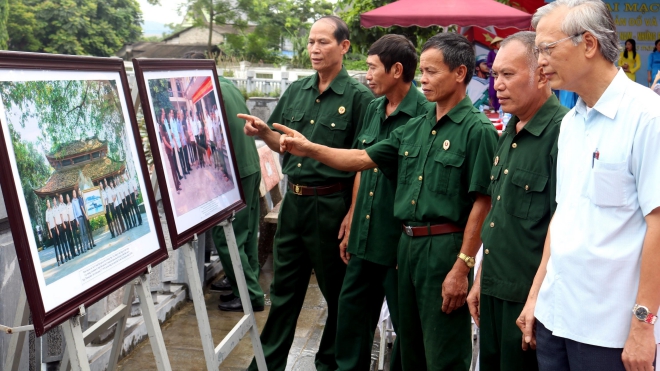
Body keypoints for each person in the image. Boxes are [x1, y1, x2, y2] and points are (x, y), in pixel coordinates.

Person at [278, 32, 498, 371]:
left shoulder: (477, 130)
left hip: (443, 249)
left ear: (460, 74)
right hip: (407, 244)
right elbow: (360, 159)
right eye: (422, 71)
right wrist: (308, 148)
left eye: (432, 72)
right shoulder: (418, 125)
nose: (423, 79)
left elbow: (482, 203)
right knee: (408, 349)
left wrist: (462, 266)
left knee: (442, 353)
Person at [517, 1, 660, 370]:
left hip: (610, 332)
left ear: (589, 44)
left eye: (548, 48)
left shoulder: (647, 118)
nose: (540, 61)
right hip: (555, 318)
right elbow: (564, 215)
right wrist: (536, 296)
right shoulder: (571, 122)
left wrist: (644, 326)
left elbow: (658, 225)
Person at [239, 15, 373, 371]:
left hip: (332, 203)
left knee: (337, 295)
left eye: (323, 42)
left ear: (344, 47)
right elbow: (282, 143)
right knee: (283, 293)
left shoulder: (359, 98)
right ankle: (267, 365)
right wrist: (263, 132)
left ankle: (329, 363)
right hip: (294, 204)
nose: (314, 49)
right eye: (311, 42)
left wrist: (352, 214)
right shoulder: (297, 90)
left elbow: (364, 161)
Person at [325, 34, 433, 371]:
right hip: (364, 236)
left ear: (397, 69)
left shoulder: (425, 115)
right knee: (352, 321)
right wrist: (352, 215)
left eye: (372, 68)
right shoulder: (373, 108)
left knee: (407, 328)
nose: (366, 74)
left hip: (397, 242)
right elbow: (361, 163)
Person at [465, 31, 569, 371]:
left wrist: (536, 299)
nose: (497, 85)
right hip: (494, 289)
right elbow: (499, 215)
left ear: (541, 74)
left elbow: (563, 229)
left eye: (508, 74)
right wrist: (481, 276)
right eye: (495, 75)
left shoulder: (563, 133)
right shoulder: (510, 130)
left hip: (528, 301)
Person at [181, 50, 266, 314]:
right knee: (247, 233)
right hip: (250, 166)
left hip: (234, 172)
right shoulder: (226, 85)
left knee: (225, 235)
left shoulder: (208, 96)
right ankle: (242, 282)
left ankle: (250, 295)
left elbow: (207, 137)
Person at [45, 198, 64, 266]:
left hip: (56, 229)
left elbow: (54, 220)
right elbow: (48, 223)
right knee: (55, 246)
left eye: (49, 202)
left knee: (59, 244)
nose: (48, 203)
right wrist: (50, 232)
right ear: (46, 204)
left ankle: (62, 258)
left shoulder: (52, 210)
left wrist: (57, 229)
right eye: (47, 203)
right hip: (52, 230)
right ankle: (58, 260)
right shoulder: (46, 212)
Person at [58, 194, 77, 258]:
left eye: (62, 197)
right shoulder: (59, 207)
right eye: (60, 197)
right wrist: (63, 224)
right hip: (64, 224)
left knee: (71, 237)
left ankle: (74, 252)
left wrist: (69, 222)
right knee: (68, 238)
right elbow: (61, 216)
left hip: (68, 223)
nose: (62, 198)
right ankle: (72, 253)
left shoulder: (65, 205)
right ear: (59, 199)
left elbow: (68, 214)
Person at [487, 36, 503, 110]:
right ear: (496, 44)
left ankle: (500, 107)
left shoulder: (504, 52)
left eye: (501, 43)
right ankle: (493, 107)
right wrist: (493, 66)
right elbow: (488, 63)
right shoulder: (491, 53)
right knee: (492, 91)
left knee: (500, 89)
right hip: (493, 74)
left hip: (502, 74)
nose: (500, 44)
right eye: (499, 43)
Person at [71, 189, 90, 253]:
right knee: (81, 233)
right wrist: (77, 220)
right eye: (73, 193)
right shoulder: (73, 201)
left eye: (75, 193)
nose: (74, 194)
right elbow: (74, 212)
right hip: (78, 218)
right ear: (72, 194)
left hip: (83, 217)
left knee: (85, 232)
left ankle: (87, 246)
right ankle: (84, 247)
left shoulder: (78, 199)